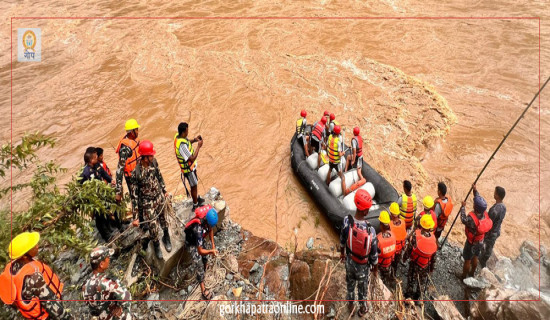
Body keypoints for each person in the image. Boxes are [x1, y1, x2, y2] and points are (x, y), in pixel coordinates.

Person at [0, 232, 73, 320]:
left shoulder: (12, 267)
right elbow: (54, 308)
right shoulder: (34, 278)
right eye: (33, 246)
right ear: (24, 256)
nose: (37, 246)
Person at [340, 189, 378, 317]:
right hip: (363, 268)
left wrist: (342, 254)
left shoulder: (347, 221)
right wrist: (375, 269)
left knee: (350, 285)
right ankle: (362, 310)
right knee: (363, 291)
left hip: (350, 262)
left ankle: (350, 305)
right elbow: (374, 256)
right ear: (366, 211)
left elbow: (342, 241)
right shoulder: (371, 231)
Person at [130, 140, 171, 259]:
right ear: (144, 157)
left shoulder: (154, 162)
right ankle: (156, 244)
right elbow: (134, 195)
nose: (153, 156)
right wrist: (136, 217)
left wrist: (165, 190)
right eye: (151, 155)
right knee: (153, 226)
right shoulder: (136, 173)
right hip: (147, 202)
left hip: (158, 196)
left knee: (163, 218)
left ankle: (166, 236)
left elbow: (159, 176)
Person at [82, 246, 131, 320]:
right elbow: (126, 298)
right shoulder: (108, 282)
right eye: (107, 258)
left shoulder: (85, 285)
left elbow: (92, 308)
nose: (109, 259)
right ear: (101, 264)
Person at [80, 149, 118, 241]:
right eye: (95, 157)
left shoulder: (97, 165)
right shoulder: (86, 173)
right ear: (91, 160)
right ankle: (106, 236)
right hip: (94, 199)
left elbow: (104, 174)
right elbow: (82, 187)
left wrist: (110, 180)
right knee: (99, 217)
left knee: (106, 211)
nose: (97, 157)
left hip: (102, 194)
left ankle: (110, 229)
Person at [184, 205, 219, 300]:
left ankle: (205, 267)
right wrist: (211, 251)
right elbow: (200, 251)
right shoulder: (198, 229)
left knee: (205, 256)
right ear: (206, 221)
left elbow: (210, 230)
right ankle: (203, 289)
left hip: (199, 240)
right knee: (198, 263)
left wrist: (213, 245)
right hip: (191, 243)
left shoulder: (208, 220)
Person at [459, 184, 493, 279]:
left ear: (475, 207)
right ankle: (472, 273)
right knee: (475, 257)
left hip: (471, 242)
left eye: (474, 203)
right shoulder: (484, 214)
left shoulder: (472, 219)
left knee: (467, 259)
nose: (473, 204)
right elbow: (478, 198)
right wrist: (475, 190)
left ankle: (463, 276)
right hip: (480, 241)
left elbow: (463, 219)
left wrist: (463, 207)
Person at [403, 215, 437, 300]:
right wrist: (432, 267)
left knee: (411, 279)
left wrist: (405, 257)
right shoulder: (433, 238)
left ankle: (408, 295)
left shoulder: (416, 235)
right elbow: (434, 255)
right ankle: (417, 296)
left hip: (415, 263)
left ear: (421, 225)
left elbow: (410, 249)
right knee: (421, 281)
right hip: (425, 265)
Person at [174, 122, 205, 212]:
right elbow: (192, 158)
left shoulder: (178, 136)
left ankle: (196, 198)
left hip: (191, 168)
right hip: (188, 169)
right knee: (193, 185)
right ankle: (195, 205)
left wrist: (195, 140)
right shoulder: (182, 146)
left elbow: (187, 142)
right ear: (184, 132)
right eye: (187, 131)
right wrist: (199, 146)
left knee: (194, 184)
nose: (188, 132)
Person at [115, 119, 141, 215]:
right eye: (136, 129)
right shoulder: (125, 148)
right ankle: (138, 219)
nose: (138, 131)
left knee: (142, 197)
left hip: (138, 173)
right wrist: (118, 191)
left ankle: (143, 217)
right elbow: (119, 170)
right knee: (135, 198)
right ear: (132, 132)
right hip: (131, 177)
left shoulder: (135, 140)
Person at [479, 186, 506, 268]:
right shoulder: (503, 207)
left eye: (495, 193)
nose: (493, 194)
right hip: (497, 231)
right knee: (489, 246)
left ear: (497, 195)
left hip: (491, 232)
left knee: (486, 246)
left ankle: (482, 262)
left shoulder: (494, 210)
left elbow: (488, 222)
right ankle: (483, 260)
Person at [326, 125, 346, 196]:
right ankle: (344, 195)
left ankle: (327, 185)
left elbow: (328, 146)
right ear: (338, 133)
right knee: (343, 177)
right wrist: (343, 153)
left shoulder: (330, 137)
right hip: (336, 162)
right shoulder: (338, 141)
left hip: (330, 159)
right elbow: (340, 154)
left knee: (330, 170)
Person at [377, 211, 396, 285]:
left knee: (380, 282)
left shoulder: (378, 239)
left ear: (381, 224)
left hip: (380, 266)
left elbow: (373, 255)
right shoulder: (393, 236)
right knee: (386, 280)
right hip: (389, 264)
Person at [389, 202, 407, 276]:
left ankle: (390, 276)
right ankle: (394, 274)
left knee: (391, 264)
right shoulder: (403, 222)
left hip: (393, 251)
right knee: (395, 264)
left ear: (391, 214)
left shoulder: (390, 225)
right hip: (399, 250)